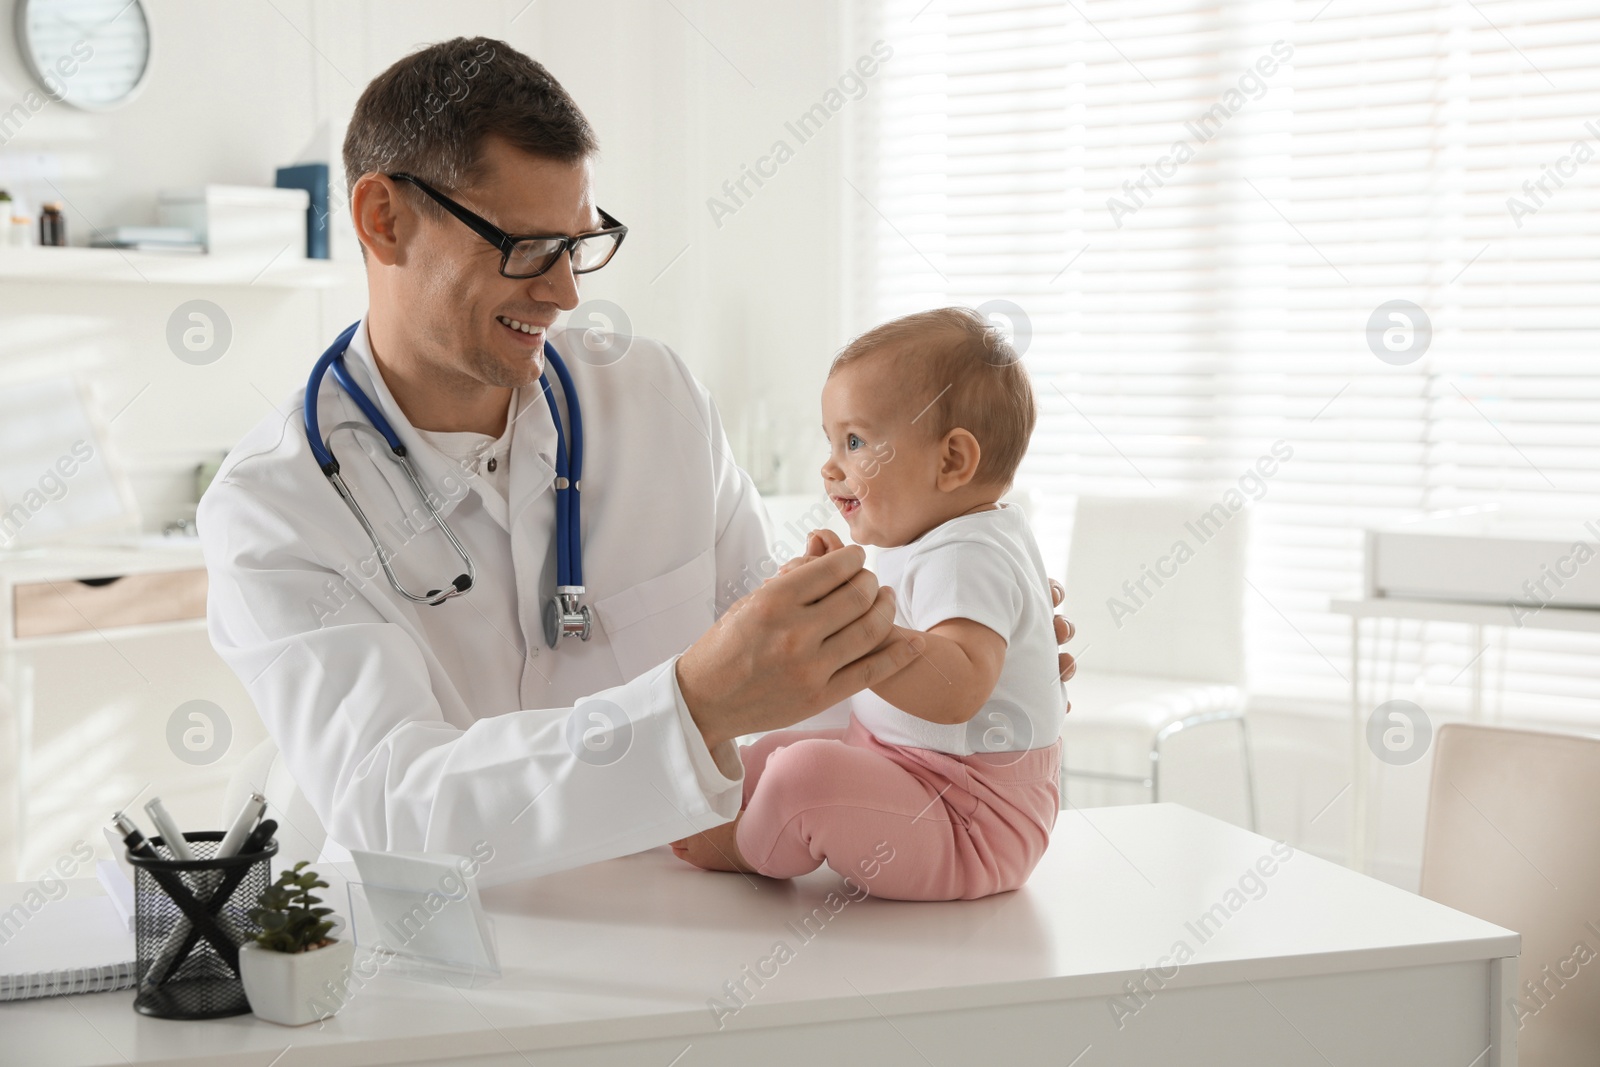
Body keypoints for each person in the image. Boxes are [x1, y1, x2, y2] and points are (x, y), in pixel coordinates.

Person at [198, 37, 1076, 887]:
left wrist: (960, 661)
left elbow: (797, 682)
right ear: (383, 220)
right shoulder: (274, 507)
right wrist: (693, 706)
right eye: (527, 249)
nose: (567, 291)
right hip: (440, 955)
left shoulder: (653, 396)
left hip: (685, 914)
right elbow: (392, 802)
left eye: (577, 244)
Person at [672, 308, 1064, 900]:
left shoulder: (966, 551)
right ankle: (736, 815)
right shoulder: (938, 536)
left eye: (854, 442)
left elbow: (959, 688)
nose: (830, 467)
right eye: (831, 442)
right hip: (916, 771)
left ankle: (745, 846)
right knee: (779, 753)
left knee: (803, 776)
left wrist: (858, 623)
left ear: (952, 460)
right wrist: (836, 602)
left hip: (973, 820)